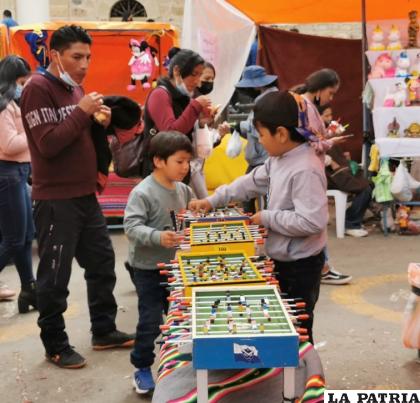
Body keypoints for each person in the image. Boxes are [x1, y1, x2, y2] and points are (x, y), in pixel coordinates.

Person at [20, 25, 134, 369]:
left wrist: (98, 120)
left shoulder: (76, 90)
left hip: (85, 195)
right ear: (56, 55)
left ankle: (103, 329)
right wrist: (82, 112)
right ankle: (55, 344)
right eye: (76, 57)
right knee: (54, 276)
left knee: (101, 264)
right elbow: (48, 144)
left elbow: (75, 132)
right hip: (56, 199)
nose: (84, 64)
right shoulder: (37, 89)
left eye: (88, 57)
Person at [190, 91, 328, 343]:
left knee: (297, 330)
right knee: (281, 325)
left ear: (282, 134)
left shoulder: (305, 168)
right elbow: (251, 182)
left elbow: (312, 221)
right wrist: (212, 200)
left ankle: (304, 374)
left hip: (301, 264)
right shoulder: (279, 158)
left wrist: (266, 217)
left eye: (261, 135)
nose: (260, 141)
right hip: (282, 256)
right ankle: (284, 374)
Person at [124, 131, 195, 394]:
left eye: (188, 161)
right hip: (148, 270)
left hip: (177, 269)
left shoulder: (184, 190)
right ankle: (141, 368)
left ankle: (177, 365)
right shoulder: (143, 192)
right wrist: (157, 236)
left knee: (180, 320)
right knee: (151, 320)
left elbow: (189, 216)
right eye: (180, 161)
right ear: (158, 161)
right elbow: (130, 226)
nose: (185, 167)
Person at [295, 69, 352, 285]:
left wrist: (326, 137)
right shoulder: (306, 107)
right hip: (308, 169)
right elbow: (309, 141)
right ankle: (323, 267)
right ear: (319, 89)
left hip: (306, 168)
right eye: (331, 92)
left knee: (314, 221)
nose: (331, 98)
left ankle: (322, 265)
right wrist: (331, 142)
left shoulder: (302, 104)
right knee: (316, 221)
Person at [0, 55, 36, 311]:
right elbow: (10, 145)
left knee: (26, 236)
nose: (25, 87)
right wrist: (32, 133)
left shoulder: (14, 103)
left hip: (20, 173)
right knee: (14, 239)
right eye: (22, 82)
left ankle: (29, 289)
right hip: (7, 173)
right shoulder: (3, 107)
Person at [142, 48, 212, 180]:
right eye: (194, 74)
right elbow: (171, 132)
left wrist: (202, 123)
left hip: (180, 171)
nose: (198, 81)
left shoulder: (183, 97)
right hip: (160, 172)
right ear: (177, 71)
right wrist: (195, 106)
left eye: (200, 75)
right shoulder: (160, 94)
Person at [319, 104, 372, 238]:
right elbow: (313, 152)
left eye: (330, 115)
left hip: (337, 171)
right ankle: (351, 223)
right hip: (329, 174)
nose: (330, 118)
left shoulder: (325, 131)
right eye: (326, 116)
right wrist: (330, 161)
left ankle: (350, 218)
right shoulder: (312, 132)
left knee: (368, 183)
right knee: (364, 188)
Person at [235, 65, 278, 213]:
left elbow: (259, 128)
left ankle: (255, 224)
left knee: (249, 192)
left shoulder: (268, 102)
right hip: (262, 157)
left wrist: (240, 126)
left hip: (264, 158)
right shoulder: (267, 99)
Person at [190, 61, 230, 198]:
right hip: (191, 168)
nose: (210, 82)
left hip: (198, 166)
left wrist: (217, 134)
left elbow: (203, 149)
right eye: (206, 79)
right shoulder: (189, 104)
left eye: (212, 79)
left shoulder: (204, 103)